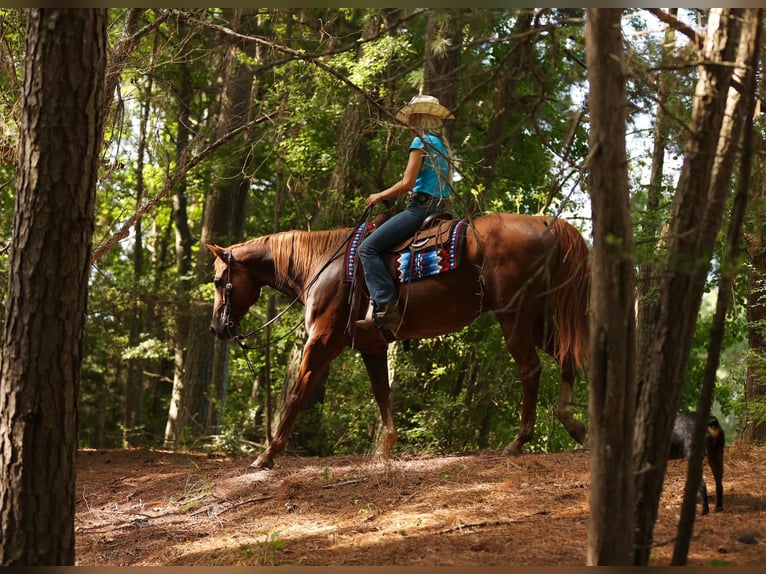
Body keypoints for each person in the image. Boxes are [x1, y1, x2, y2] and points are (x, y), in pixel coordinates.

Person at [356, 94, 454, 330]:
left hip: (420, 208)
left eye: (412, 118)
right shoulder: (442, 146)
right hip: (440, 208)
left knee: (367, 248)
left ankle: (387, 306)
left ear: (420, 119)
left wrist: (380, 195)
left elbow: (407, 183)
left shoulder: (421, 142)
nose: (409, 123)